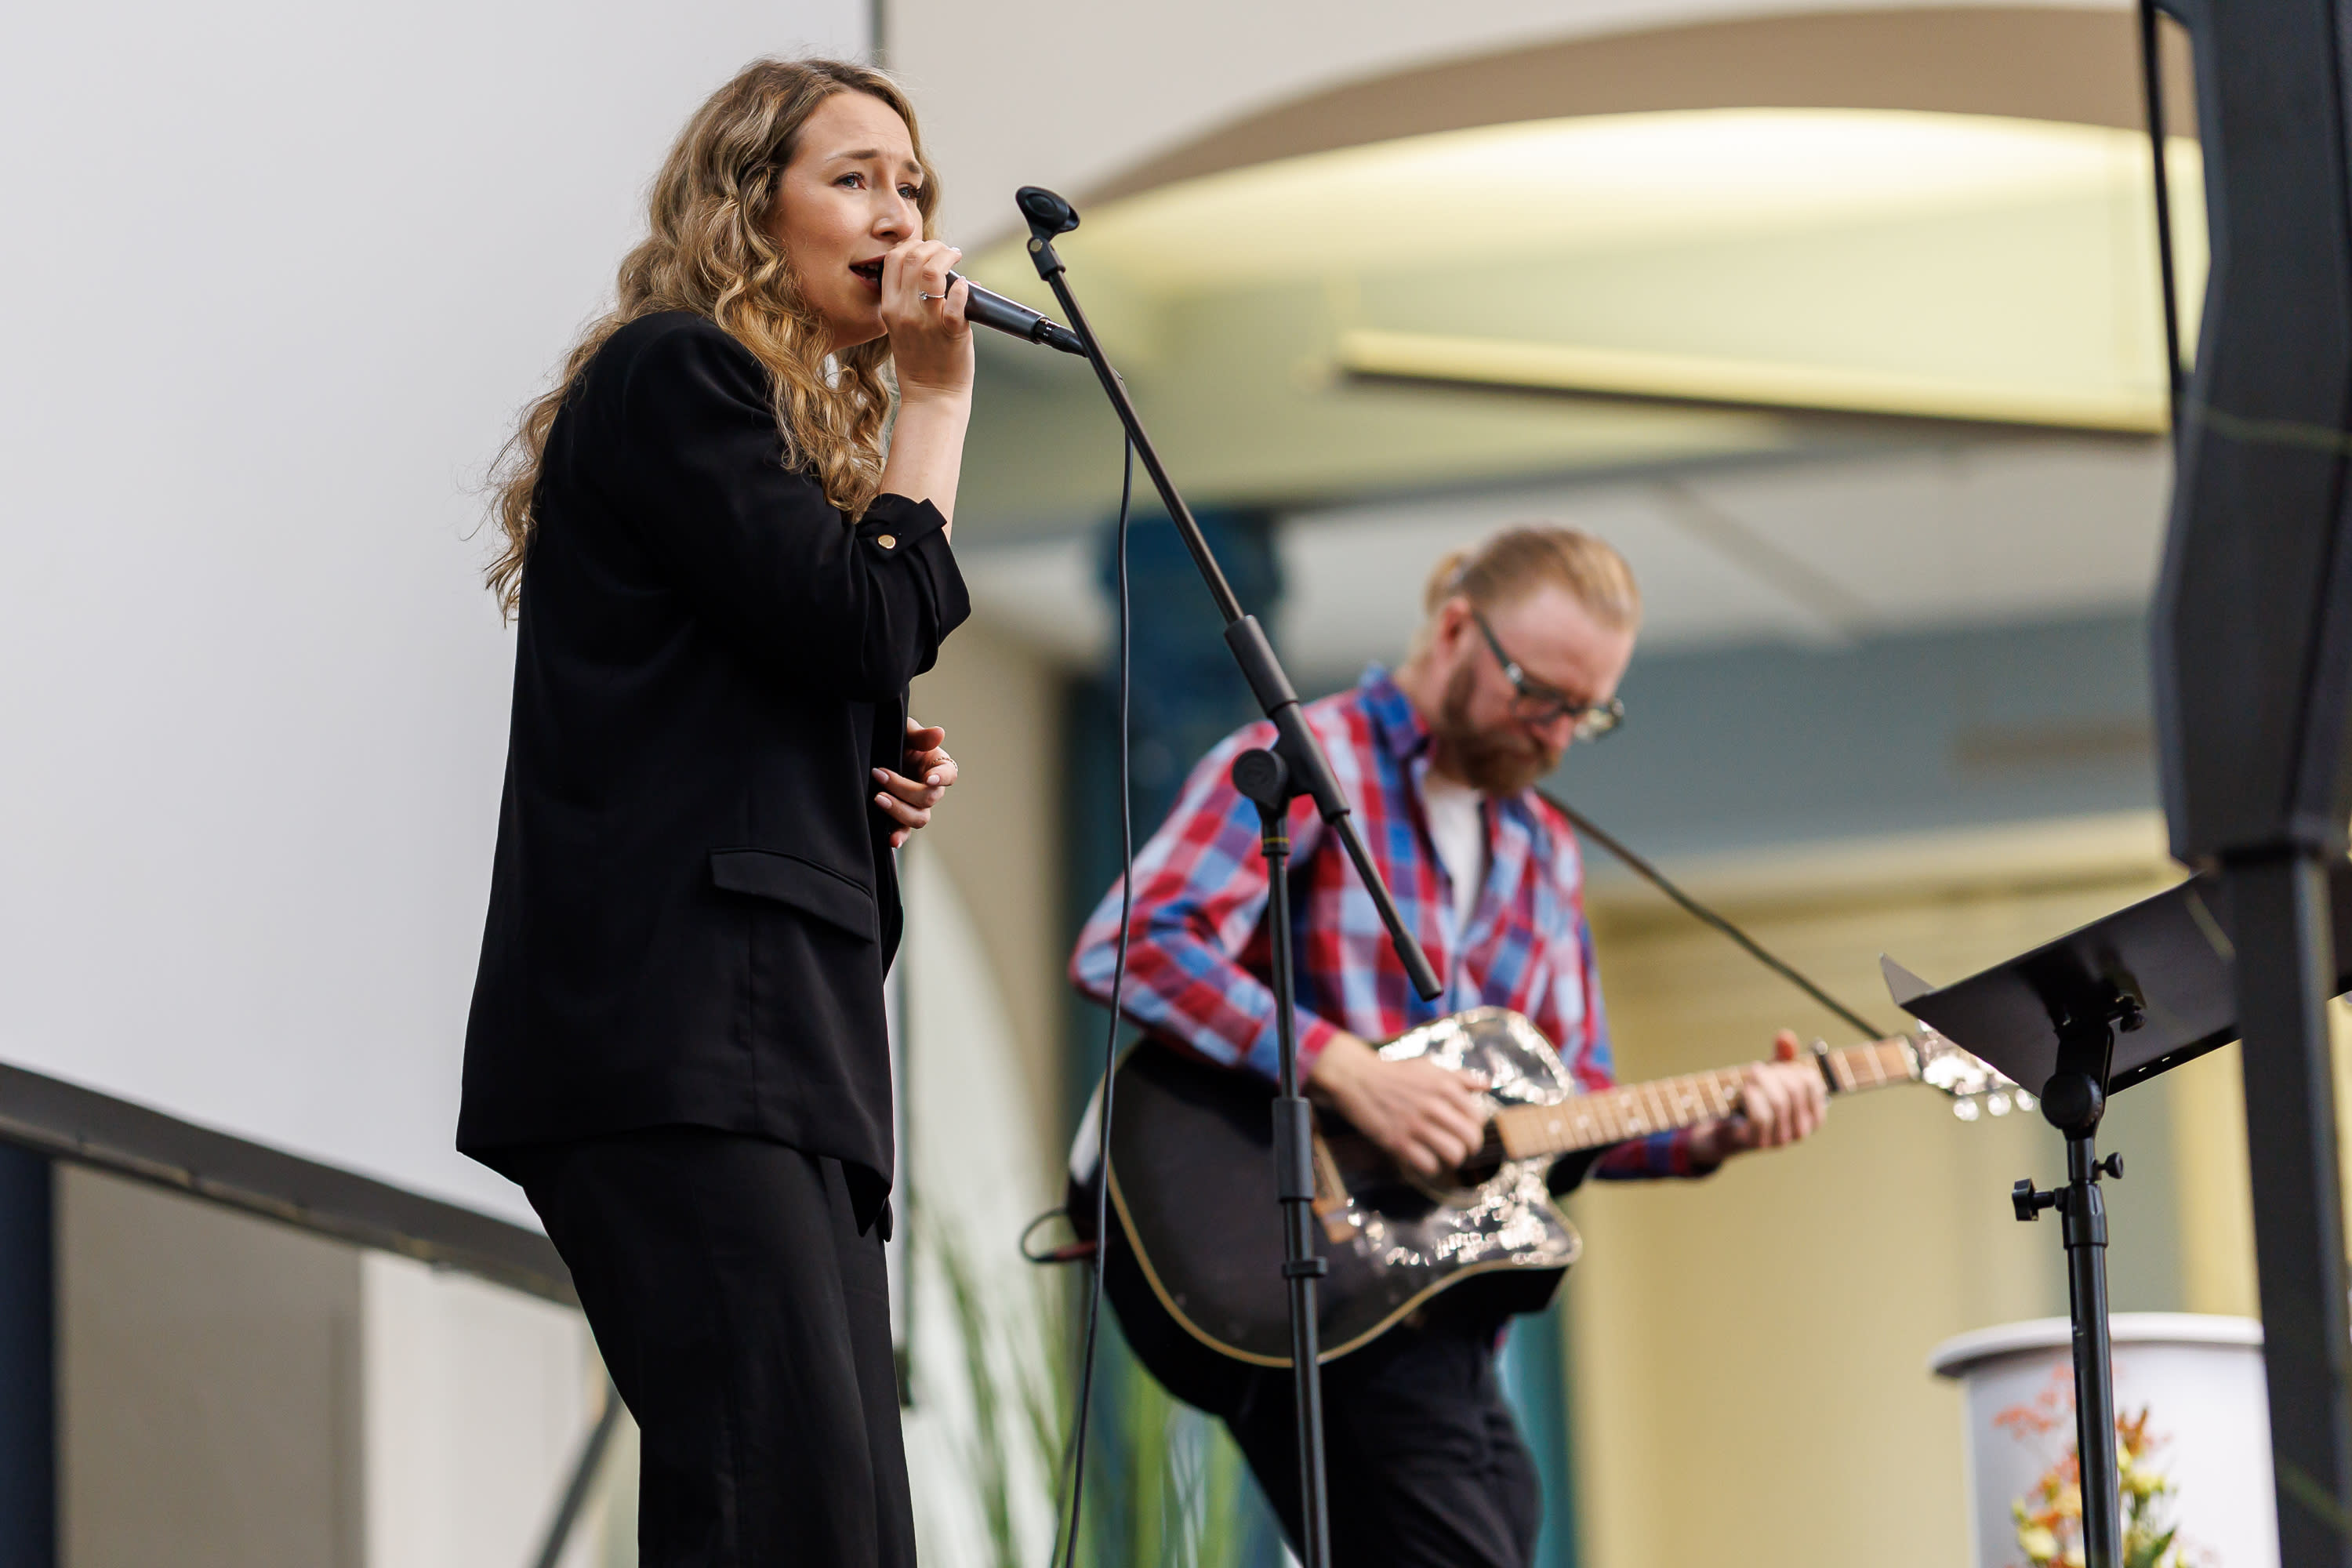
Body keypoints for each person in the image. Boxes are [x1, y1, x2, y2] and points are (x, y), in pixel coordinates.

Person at [1069, 525, 1830, 1568]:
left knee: (1508, 1513)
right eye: (1539, 693)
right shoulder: (1308, 762)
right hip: (1300, 1265)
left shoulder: (1542, 849)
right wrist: (1348, 1071)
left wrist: (1711, 1135)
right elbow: (1131, 945)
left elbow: (1568, 1108)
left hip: (1444, 1310)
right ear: (1459, 630)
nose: (1556, 734)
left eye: (1585, 711)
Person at [456, 57, 972, 1568]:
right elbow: (865, 618)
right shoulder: (675, 370)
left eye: (913, 186)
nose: (900, 215)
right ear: (749, 206)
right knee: (775, 1510)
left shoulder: (785, 449)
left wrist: (858, 780)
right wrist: (938, 400)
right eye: (855, 179)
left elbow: (796, 662)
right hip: (686, 1036)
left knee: (843, 1526)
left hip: (785, 1043)